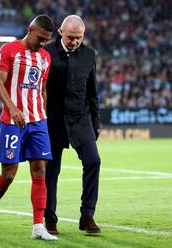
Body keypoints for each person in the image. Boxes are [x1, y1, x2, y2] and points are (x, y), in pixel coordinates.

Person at [0, 14, 57, 241]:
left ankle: (38, 227)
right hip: (12, 122)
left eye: (46, 40)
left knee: (40, 170)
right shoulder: (8, 50)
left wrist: (43, 112)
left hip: (38, 121)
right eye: (40, 38)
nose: (43, 44)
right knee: (9, 174)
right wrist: (12, 108)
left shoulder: (45, 58)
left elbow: (42, 88)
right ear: (30, 29)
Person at [44, 15, 101, 234]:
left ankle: (87, 216)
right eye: (70, 38)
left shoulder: (89, 55)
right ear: (60, 32)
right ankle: (50, 219)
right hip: (53, 120)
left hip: (80, 119)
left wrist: (95, 124)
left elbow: (92, 93)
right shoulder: (46, 53)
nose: (75, 42)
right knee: (51, 171)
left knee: (93, 161)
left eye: (79, 38)